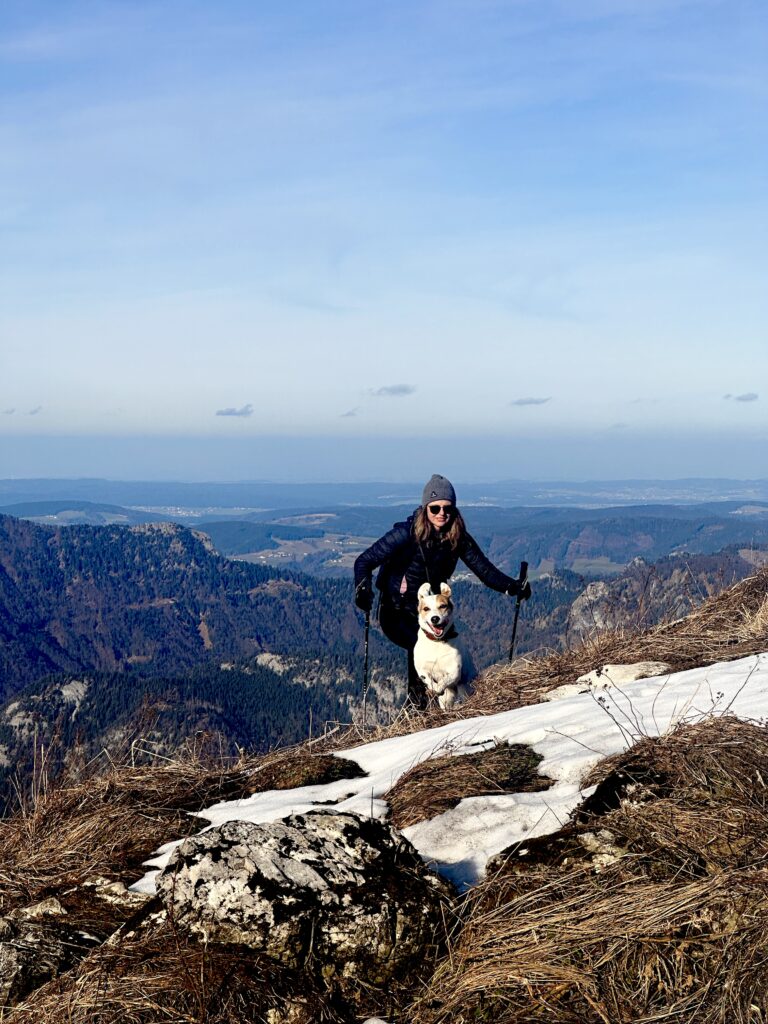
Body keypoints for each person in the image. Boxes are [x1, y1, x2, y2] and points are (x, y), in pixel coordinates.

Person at [353, 474, 531, 709]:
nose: (441, 513)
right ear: (425, 507)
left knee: (445, 647)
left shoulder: (458, 538)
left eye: (447, 508)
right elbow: (364, 561)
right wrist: (363, 589)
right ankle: (419, 709)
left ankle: (452, 703)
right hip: (395, 612)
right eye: (435, 508)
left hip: (432, 613)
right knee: (421, 643)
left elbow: (483, 569)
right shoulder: (406, 534)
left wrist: (511, 587)